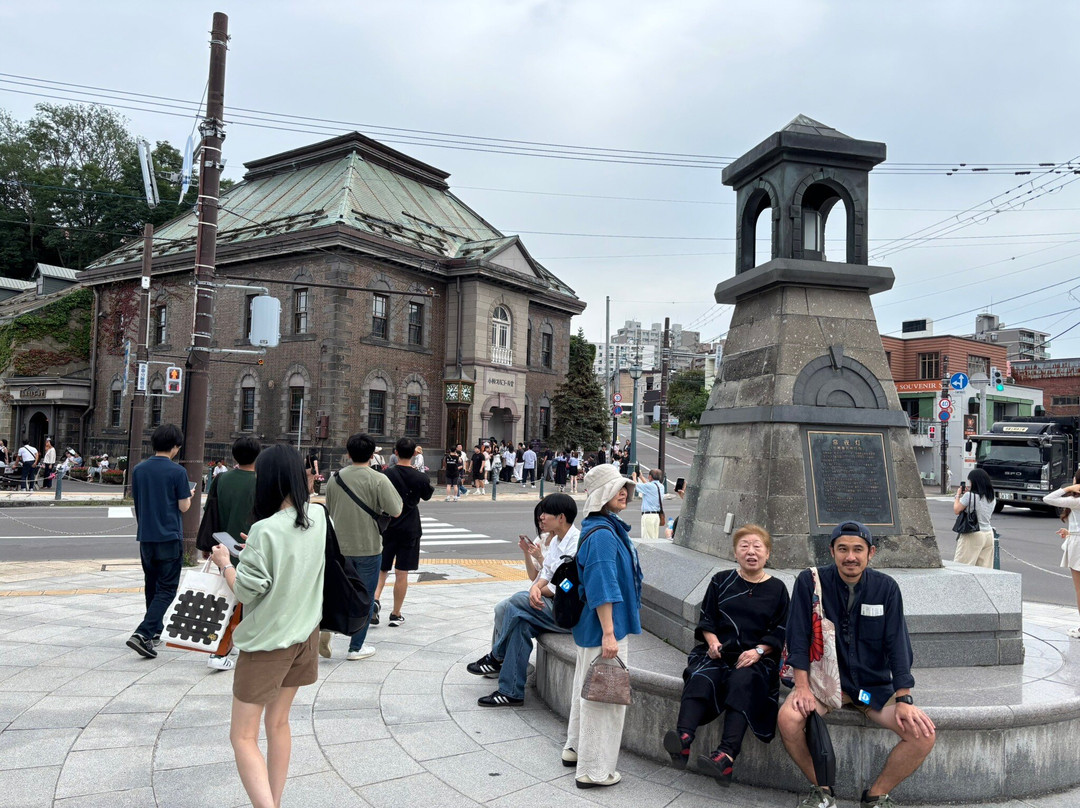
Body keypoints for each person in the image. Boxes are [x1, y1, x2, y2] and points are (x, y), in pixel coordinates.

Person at [778, 520, 936, 808]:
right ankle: (823, 791)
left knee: (922, 735)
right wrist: (801, 687)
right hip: (826, 686)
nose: (850, 556)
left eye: (857, 550)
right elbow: (798, 637)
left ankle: (876, 795)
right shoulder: (809, 582)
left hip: (868, 690)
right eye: (843, 549)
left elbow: (898, 645)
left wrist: (904, 697)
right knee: (788, 719)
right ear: (832, 551)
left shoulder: (886, 588)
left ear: (871, 552)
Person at [209, 444, 327, 808]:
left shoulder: (264, 530)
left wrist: (225, 562)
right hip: (304, 636)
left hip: (267, 645)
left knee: (242, 737)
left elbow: (246, 590)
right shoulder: (320, 517)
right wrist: (254, 553)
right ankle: (273, 801)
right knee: (278, 725)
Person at [663, 525, 789, 785]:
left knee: (743, 681)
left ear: (767, 554)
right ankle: (684, 738)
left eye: (757, 547)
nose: (751, 552)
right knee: (702, 675)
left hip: (757, 657)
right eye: (744, 547)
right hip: (721, 652)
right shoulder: (721, 580)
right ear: (735, 553)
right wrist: (712, 642)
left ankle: (726, 756)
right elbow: (707, 620)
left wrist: (758, 651)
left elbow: (781, 630)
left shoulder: (778, 589)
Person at [563, 463, 643, 789]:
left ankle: (574, 748)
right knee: (604, 699)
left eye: (625, 486)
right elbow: (603, 585)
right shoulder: (604, 536)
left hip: (590, 627)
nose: (623, 491)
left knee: (586, 688)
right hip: (603, 629)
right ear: (602, 496)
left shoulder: (599, 526)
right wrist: (610, 633)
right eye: (615, 488)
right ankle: (594, 770)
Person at [468, 494, 580, 706]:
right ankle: (510, 692)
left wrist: (538, 591)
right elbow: (547, 572)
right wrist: (537, 587)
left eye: (546, 513)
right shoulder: (557, 540)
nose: (542, 518)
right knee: (520, 623)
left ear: (561, 517)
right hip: (554, 605)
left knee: (518, 600)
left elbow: (567, 585)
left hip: (570, 614)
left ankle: (496, 656)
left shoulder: (577, 545)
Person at [322, 433, 403, 658]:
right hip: (368, 547)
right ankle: (355, 647)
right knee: (365, 596)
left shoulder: (335, 478)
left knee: (337, 592)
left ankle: (327, 628)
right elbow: (396, 509)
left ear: (348, 454)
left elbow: (330, 509)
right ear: (372, 455)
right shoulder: (378, 479)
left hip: (339, 548)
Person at [126, 424, 192, 659]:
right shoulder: (177, 472)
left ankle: (154, 631)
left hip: (146, 536)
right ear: (175, 447)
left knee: (151, 585)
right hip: (168, 535)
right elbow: (184, 506)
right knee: (167, 588)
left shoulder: (139, 469)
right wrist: (189, 496)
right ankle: (143, 633)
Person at [197, 435, 262, 671]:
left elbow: (211, 513)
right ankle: (219, 650)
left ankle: (227, 643)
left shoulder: (222, 479)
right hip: (252, 549)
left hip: (224, 549)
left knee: (226, 600)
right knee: (241, 602)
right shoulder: (261, 482)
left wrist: (207, 546)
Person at [375, 437, 434, 628]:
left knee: (382, 568)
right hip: (410, 525)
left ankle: (374, 601)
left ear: (395, 452)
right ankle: (396, 613)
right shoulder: (420, 476)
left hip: (388, 525)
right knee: (402, 572)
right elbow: (427, 495)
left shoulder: (386, 475)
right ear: (414, 453)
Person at [1044, 469, 1080, 637]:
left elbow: (1048, 499)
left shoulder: (1075, 501)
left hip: (1078, 546)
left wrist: (1066, 489)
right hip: (1075, 538)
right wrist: (1070, 531)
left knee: (1079, 590)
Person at [952, 468, 996, 568]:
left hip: (973, 533)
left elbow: (957, 510)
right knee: (984, 569)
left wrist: (958, 495)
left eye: (970, 481)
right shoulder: (992, 497)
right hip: (988, 534)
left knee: (961, 567)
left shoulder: (969, 496)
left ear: (975, 482)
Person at [639, 468, 665, 539]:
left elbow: (635, 485)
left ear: (650, 477)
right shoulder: (661, 486)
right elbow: (647, 486)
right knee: (654, 539)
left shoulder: (649, 486)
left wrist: (634, 477)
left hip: (648, 516)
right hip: (656, 516)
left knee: (647, 540)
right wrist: (641, 477)